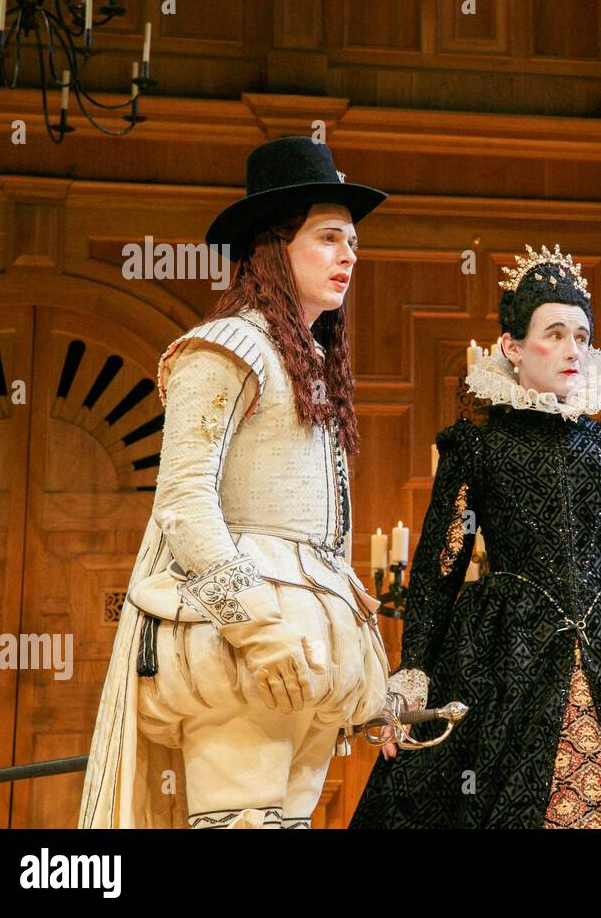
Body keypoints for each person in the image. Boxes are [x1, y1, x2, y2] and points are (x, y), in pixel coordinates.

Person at [349, 245, 601, 828]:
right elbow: (440, 569)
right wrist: (413, 673)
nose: (573, 348)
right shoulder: (478, 446)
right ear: (512, 348)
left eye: (581, 335)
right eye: (555, 333)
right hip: (506, 645)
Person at [79, 136, 391, 828]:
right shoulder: (226, 347)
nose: (349, 256)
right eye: (329, 238)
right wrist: (253, 625)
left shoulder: (307, 360)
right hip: (239, 644)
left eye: (354, 244)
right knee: (240, 822)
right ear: (275, 246)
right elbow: (184, 504)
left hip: (308, 640)